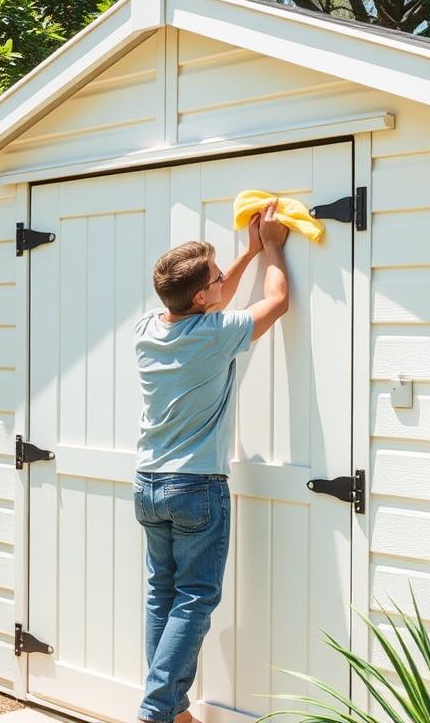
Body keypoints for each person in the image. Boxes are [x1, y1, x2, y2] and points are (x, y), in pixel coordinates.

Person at [132, 199, 291, 723]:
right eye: (218, 277)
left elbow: (213, 300)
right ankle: (156, 712)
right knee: (196, 598)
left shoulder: (147, 331)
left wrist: (241, 254)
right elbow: (278, 302)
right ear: (201, 296)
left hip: (150, 486)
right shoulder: (215, 334)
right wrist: (270, 250)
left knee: (164, 596)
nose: (225, 279)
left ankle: (174, 711)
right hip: (196, 488)